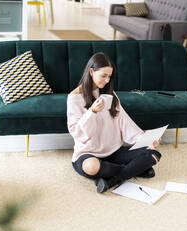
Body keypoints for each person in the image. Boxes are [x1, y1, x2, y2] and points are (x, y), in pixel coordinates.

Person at [67, 53, 162, 193]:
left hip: (114, 152)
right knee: (92, 167)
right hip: (89, 153)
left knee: (154, 153)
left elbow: (125, 122)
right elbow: (77, 132)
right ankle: (134, 170)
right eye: (103, 75)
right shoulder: (74, 98)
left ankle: (113, 180)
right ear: (91, 72)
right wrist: (91, 112)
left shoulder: (110, 94)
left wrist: (146, 140)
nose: (107, 80)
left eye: (109, 76)